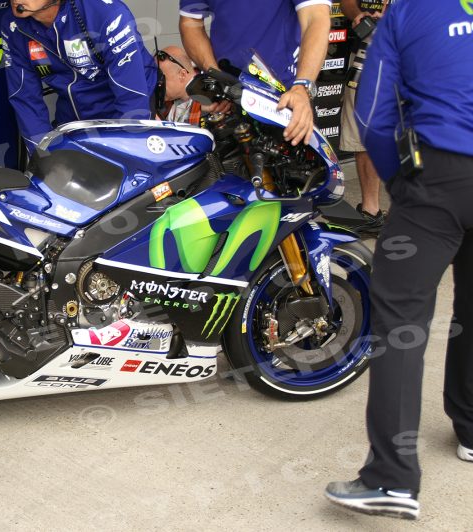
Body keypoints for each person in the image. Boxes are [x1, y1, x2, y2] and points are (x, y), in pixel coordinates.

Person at [325, 0, 473, 520]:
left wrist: (399, 185)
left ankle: (391, 479)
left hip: (438, 177)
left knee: (401, 323)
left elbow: (371, 113)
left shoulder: (410, 9)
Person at [2, 0, 157, 153]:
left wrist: (124, 151)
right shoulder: (13, 26)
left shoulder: (107, 13)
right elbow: (25, 99)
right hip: (71, 118)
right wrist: (45, 156)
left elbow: (132, 98)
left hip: (126, 112)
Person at [178, 0, 331, 146]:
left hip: (285, 95)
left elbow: (316, 17)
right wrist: (216, 74)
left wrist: (302, 86)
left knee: (298, 170)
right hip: (230, 94)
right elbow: (190, 23)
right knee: (230, 169)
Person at [339, 0, 387, 234]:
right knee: (363, 133)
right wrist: (359, 15)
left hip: (416, 52)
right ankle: (370, 212)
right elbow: (347, 2)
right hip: (366, 54)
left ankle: (431, 213)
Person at [156, 46, 202, 125]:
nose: (158, 85)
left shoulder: (210, 101)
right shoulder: (165, 104)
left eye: (162, 79)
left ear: (182, 74)